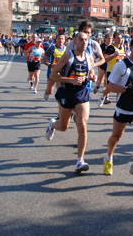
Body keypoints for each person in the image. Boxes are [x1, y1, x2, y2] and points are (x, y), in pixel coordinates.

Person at [45, 31, 97, 173]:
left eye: (86, 40)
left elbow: (91, 72)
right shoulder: (68, 56)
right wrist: (71, 80)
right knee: (63, 126)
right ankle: (52, 125)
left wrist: (93, 77)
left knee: (82, 124)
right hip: (67, 92)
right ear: (74, 41)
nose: (84, 42)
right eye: (81, 39)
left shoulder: (88, 57)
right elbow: (54, 75)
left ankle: (80, 160)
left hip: (81, 93)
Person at [103, 36, 133, 182]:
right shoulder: (121, 66)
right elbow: (109, 86)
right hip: (123, 107)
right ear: (131, 48)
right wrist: (125, 89)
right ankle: (108, 158)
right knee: (116, 137)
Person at [99, 31, 126, 106]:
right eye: (118, 38)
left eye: (121, 38)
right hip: (111, 70)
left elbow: (122, 58)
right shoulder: (111, 48)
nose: (120, 40)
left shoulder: (122, 47)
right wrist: (114, 55)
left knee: (120, 87)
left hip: (120, 71)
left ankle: (119, 101)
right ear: (114, 39)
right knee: (109, 88)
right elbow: (105, 59)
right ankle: (103, 97)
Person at [42, 32, 67, 101]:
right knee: (50, 91)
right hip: (52, 72)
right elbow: (43, 59)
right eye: (59, 39)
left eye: (62, 39)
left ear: (65, 40)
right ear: (56, 40)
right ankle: (46, 92)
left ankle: (60, 108)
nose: (60, 40)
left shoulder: (66, 49)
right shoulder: (52, 48)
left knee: (60, 92)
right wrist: (50, 64)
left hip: (61, 74)